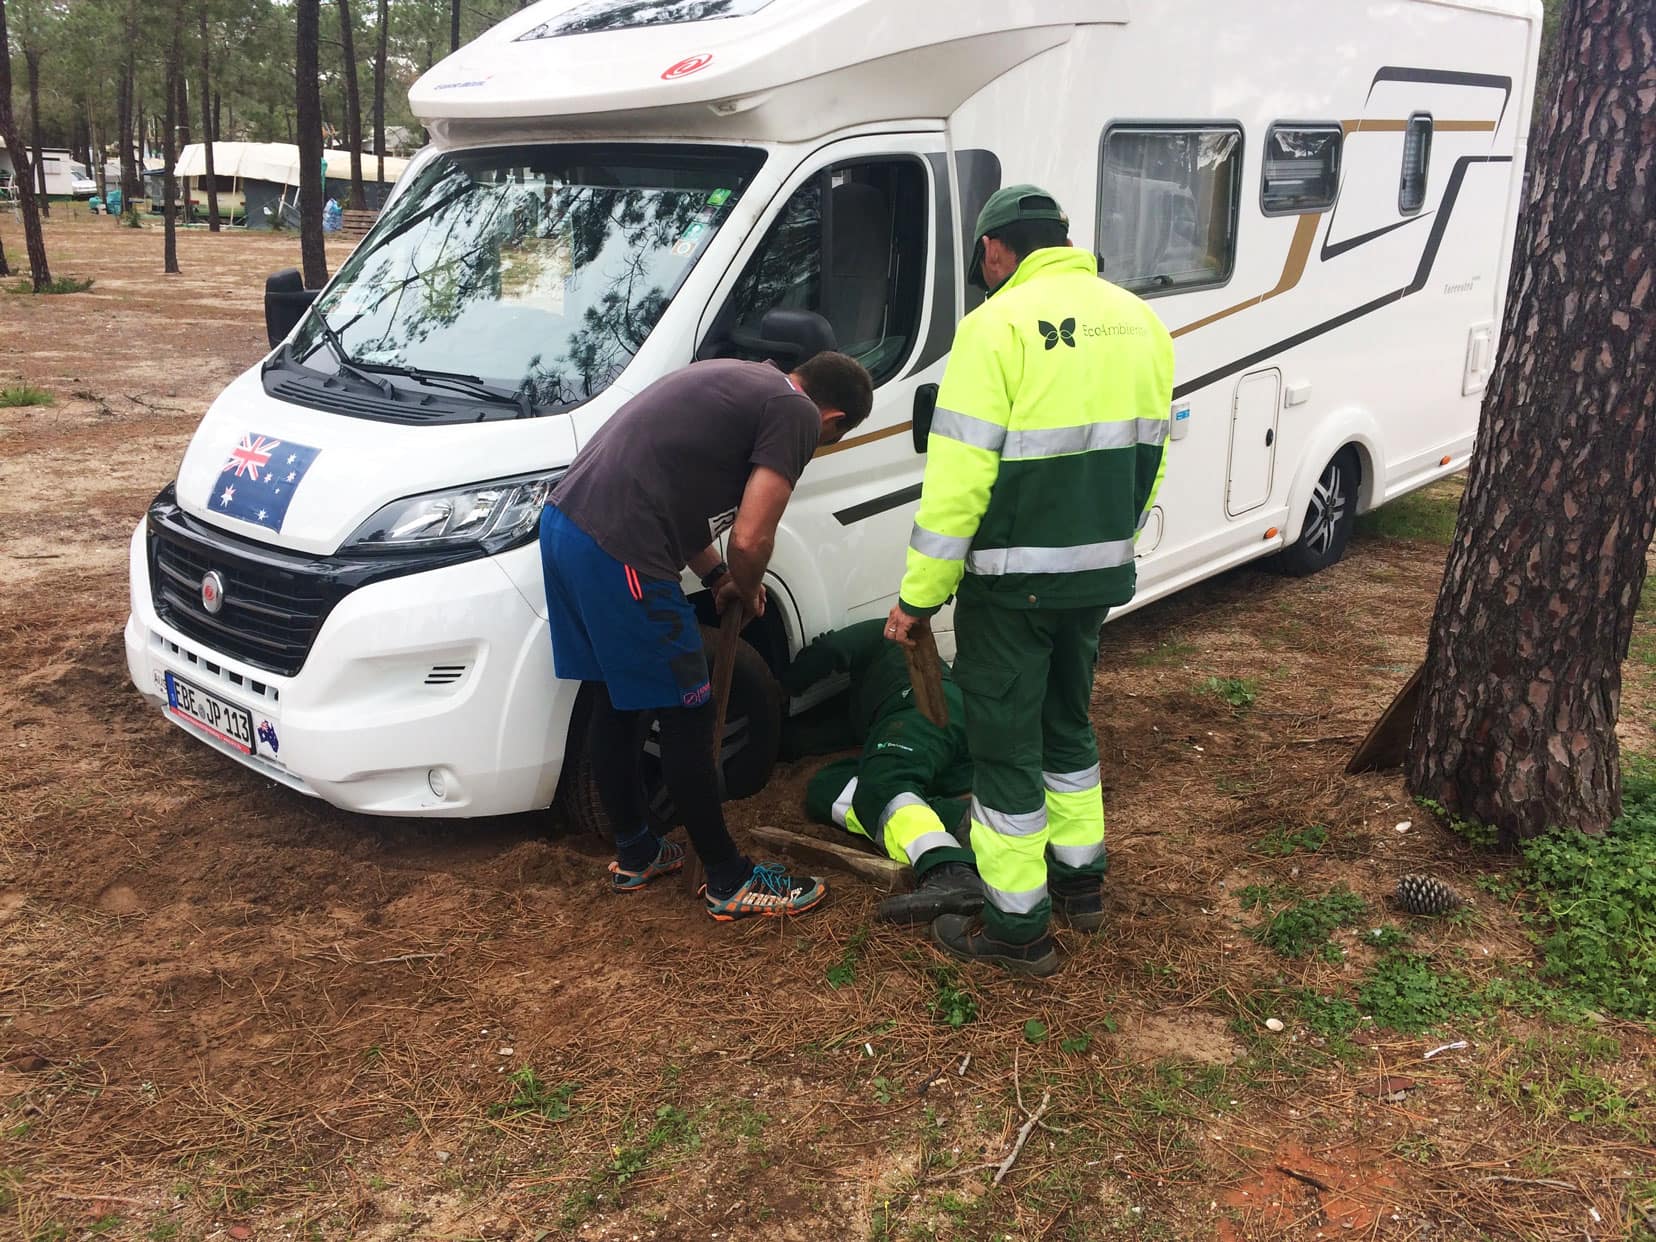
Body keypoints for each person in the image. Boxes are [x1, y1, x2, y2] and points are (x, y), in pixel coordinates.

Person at [885, 185, 1174, 975]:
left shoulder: (993, 328)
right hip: (1094, 578)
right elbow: (1151, 459)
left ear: (994, 251)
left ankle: (1018, 930)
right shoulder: (1140, 321)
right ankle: (1081, 885)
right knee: (1068, 731)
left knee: (1006, 753)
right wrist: (1109, 544)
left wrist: (919, 596)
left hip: (1013, 589)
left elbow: (956, 488)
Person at [543, 352, 873, 920]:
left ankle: (637, 851)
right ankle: (728, 879)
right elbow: (750, 537)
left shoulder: (743, 382)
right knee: (689, 710)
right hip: (623, 545)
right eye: (828, 442)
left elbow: (683, 501)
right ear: (833, 419)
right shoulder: (795, 413)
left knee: (617, 700)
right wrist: (745, 583)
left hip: (567, 526)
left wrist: (716, 576)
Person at [784, 620, 984, 923]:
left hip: (920, 707)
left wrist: (779, 686)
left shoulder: (883, 630)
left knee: (882, 786)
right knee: (827, 784)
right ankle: (962, 819)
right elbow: (836, 734)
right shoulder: (871, 688)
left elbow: (830, 649)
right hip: (956, 742)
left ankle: (945, 868)